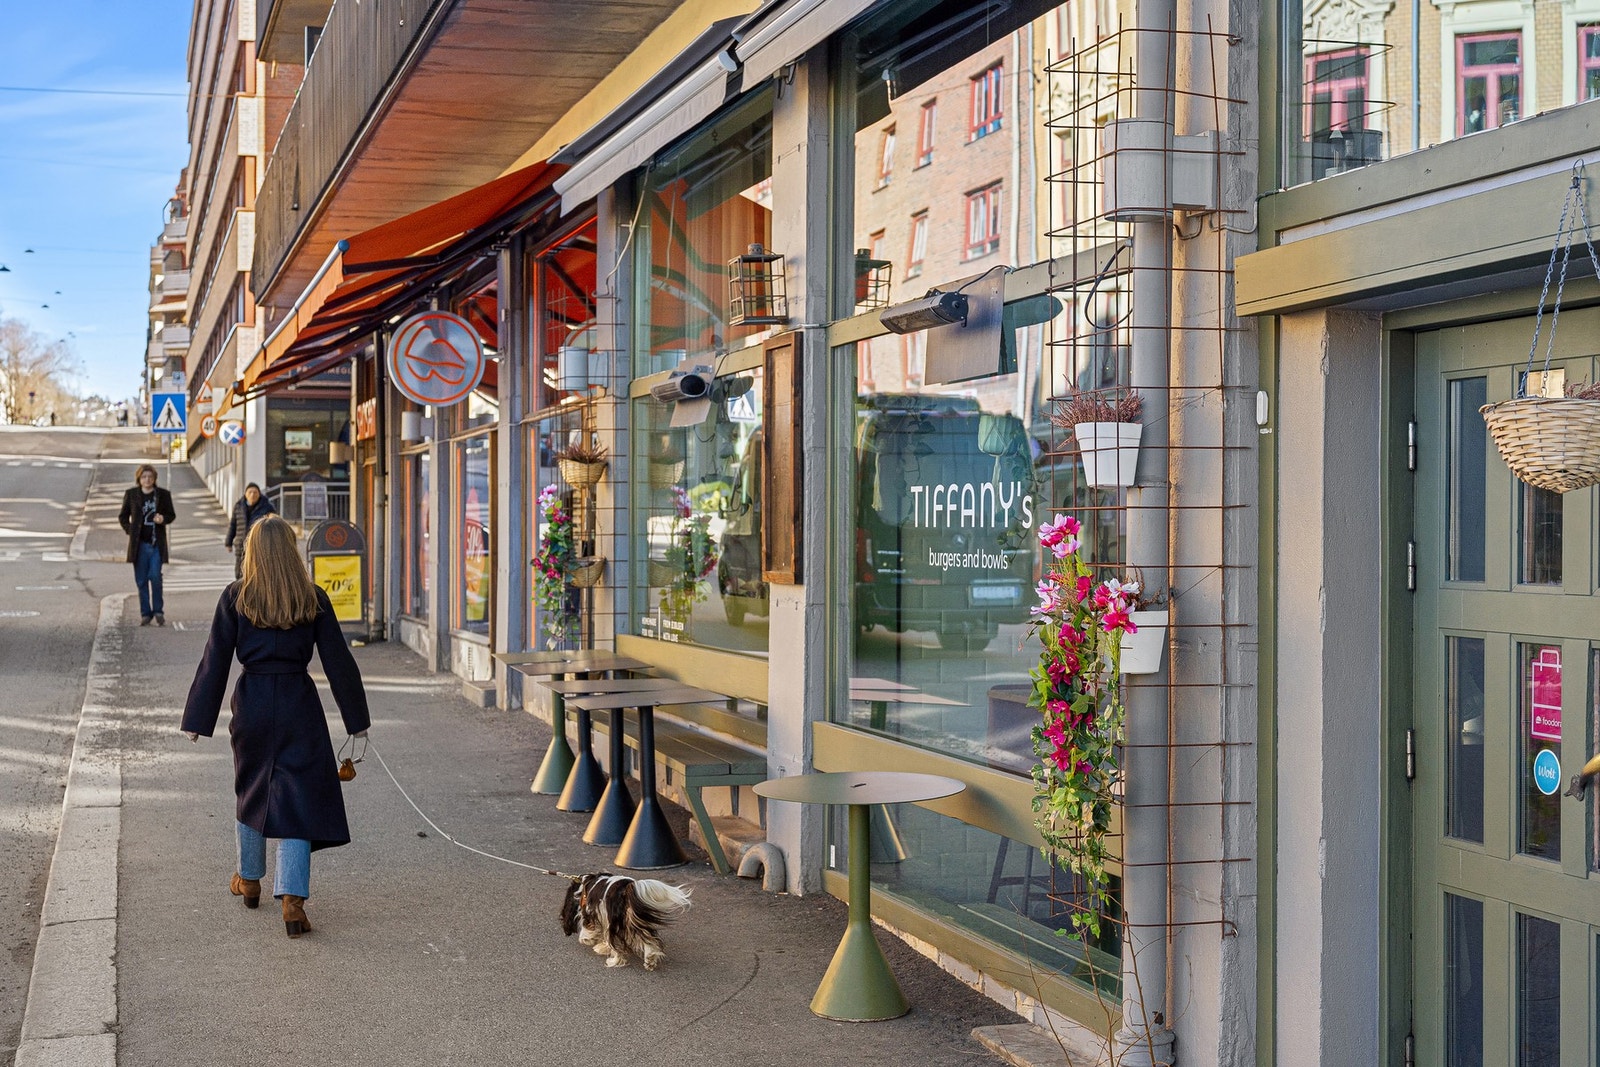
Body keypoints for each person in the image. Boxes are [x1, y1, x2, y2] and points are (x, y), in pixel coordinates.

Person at [181, 516, 370, 939]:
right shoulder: (313, 597)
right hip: (299, 704)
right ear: (290, 550)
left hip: (250, 703)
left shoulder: (236, 597)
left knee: (251, 786)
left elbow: (216, 661)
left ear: (252, 552)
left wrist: (197, 719)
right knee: (299, 799)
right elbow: (339, 662)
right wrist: (357, 722)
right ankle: (292, 901)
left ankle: (249, 880)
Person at [118, 465, 177, 626]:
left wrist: (162, 519)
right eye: (144, 477)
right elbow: (123, 516)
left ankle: (158, 611)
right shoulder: (131, 495)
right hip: (139, 545)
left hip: (156, 543)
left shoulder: (163, 495)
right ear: (139, 479)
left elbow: (171, 515)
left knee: (155, 576)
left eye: (150, 477)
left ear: (154, 478)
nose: (147, 480)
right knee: (141, 580)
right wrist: (131, 531)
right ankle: (146, 613)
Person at [224, 483, 276, 579]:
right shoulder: (238, 506)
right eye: (250, 492)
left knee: (257, 572)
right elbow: (233, 525)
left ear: (259, 494)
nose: (252, 495)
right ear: (245, 494)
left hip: (259, 545)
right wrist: (229, 542)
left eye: (255, 492)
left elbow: (274, 526)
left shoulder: (267, 507)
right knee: (240, 573)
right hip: (241, 545)